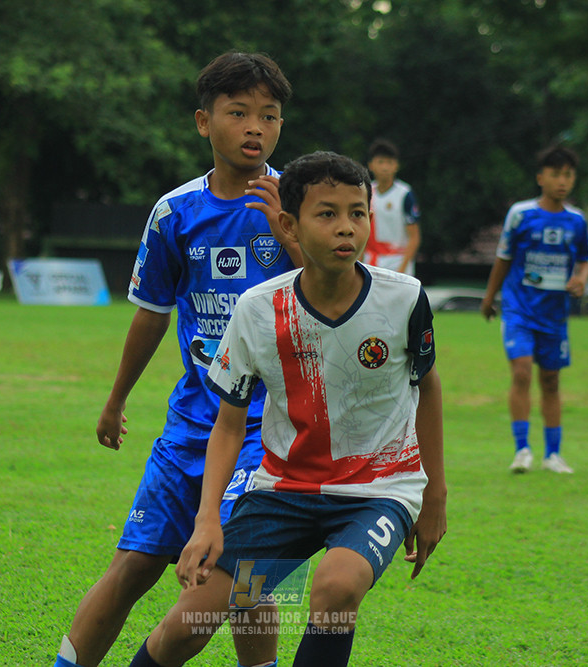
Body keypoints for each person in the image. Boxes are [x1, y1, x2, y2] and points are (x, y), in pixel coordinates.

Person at [127, 151, 447, 667]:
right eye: (327, 214)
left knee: (336, 586)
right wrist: (208, 517)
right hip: (283, 496)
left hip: (377, 491)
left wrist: (434, 495)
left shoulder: (403, 298)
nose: (346, 228)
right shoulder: (257, 308)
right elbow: (229, 425)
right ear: (288, 224)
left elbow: (427, 388)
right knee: (190, 624)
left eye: (357, 213)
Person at [51, 52, 297, 667]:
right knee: (132, 566)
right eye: (238, 113)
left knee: (245, 574)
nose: (255, 128)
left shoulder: (299, 200)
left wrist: (294, 241)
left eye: (268, 116)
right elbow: (151, 312)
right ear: (202, 122)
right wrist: (115, 400)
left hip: (270, 428)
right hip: (192, 424)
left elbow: (344, 288)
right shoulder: (174, 213)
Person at [480, 144, 588, 474]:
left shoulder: (577, 221)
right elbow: (504, 258)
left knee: (552, 381)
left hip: (554, 316)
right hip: (519, 310)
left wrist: (581, 279)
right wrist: (490, 297)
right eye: (556, 174)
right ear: (540, 177)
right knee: (521, 372)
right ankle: (522, 450)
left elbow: (585, 259)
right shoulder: (521, 214)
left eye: (568, 175)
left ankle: (553, 454)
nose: (563, 181)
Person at [362, 138, 421, 275]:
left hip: (398, 260)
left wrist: (402, 269)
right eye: (380, 162)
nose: (385, 167)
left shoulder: (405, 194)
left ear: (396, 166)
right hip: (371, 261)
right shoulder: (366, 192)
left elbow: (414, 236)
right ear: (371, 165)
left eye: (389, 162)